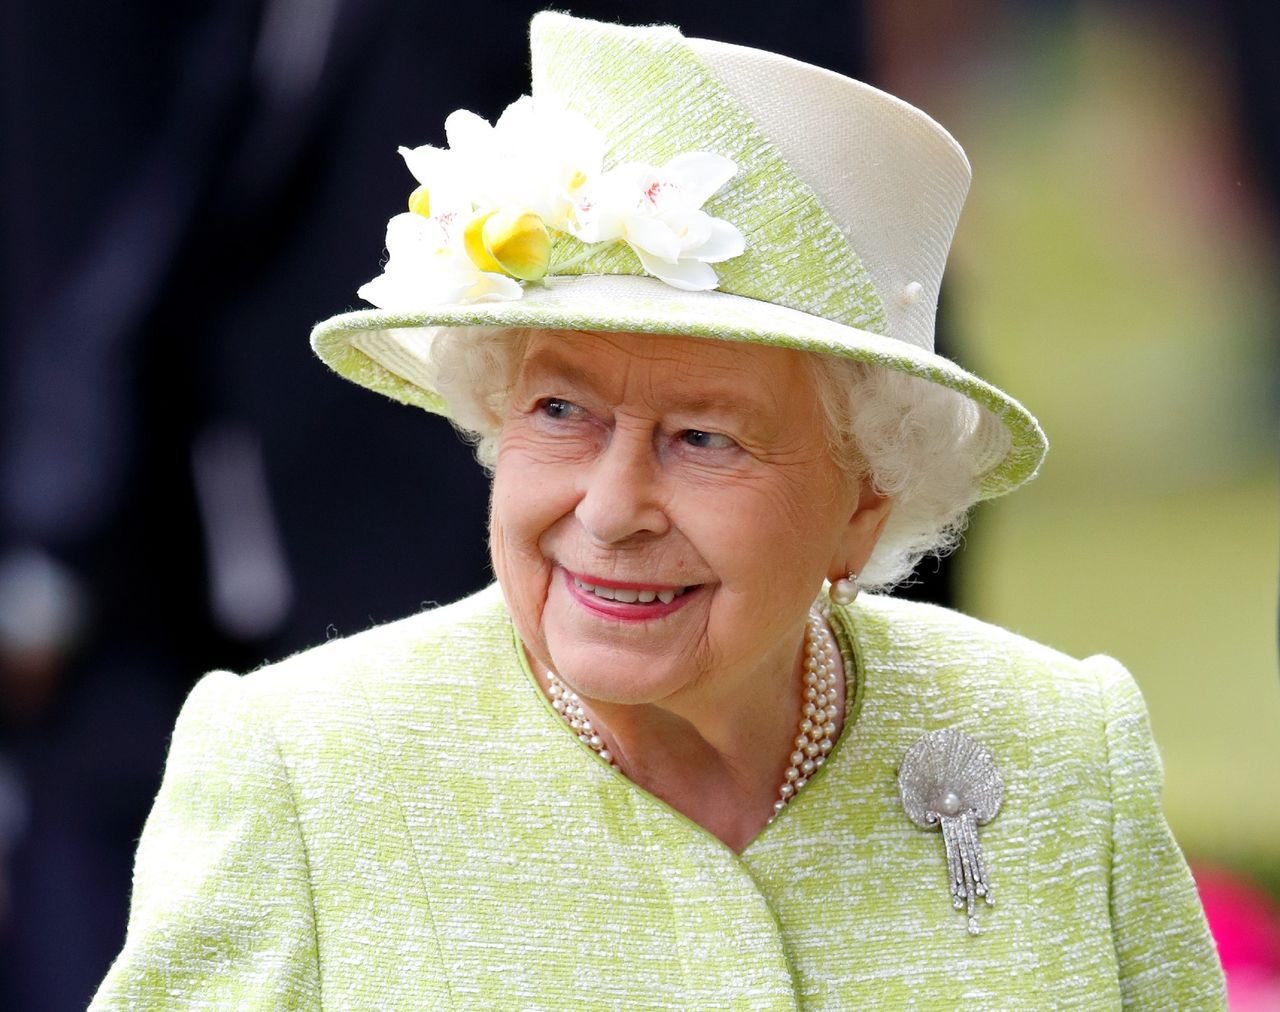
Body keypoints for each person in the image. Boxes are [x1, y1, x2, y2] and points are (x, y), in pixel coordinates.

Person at [91, 12, 1225, 1009]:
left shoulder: (1059, 747)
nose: (613, 504)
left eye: (703, 438)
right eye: (558, 410)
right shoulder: (299, 771)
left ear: (863, 502)